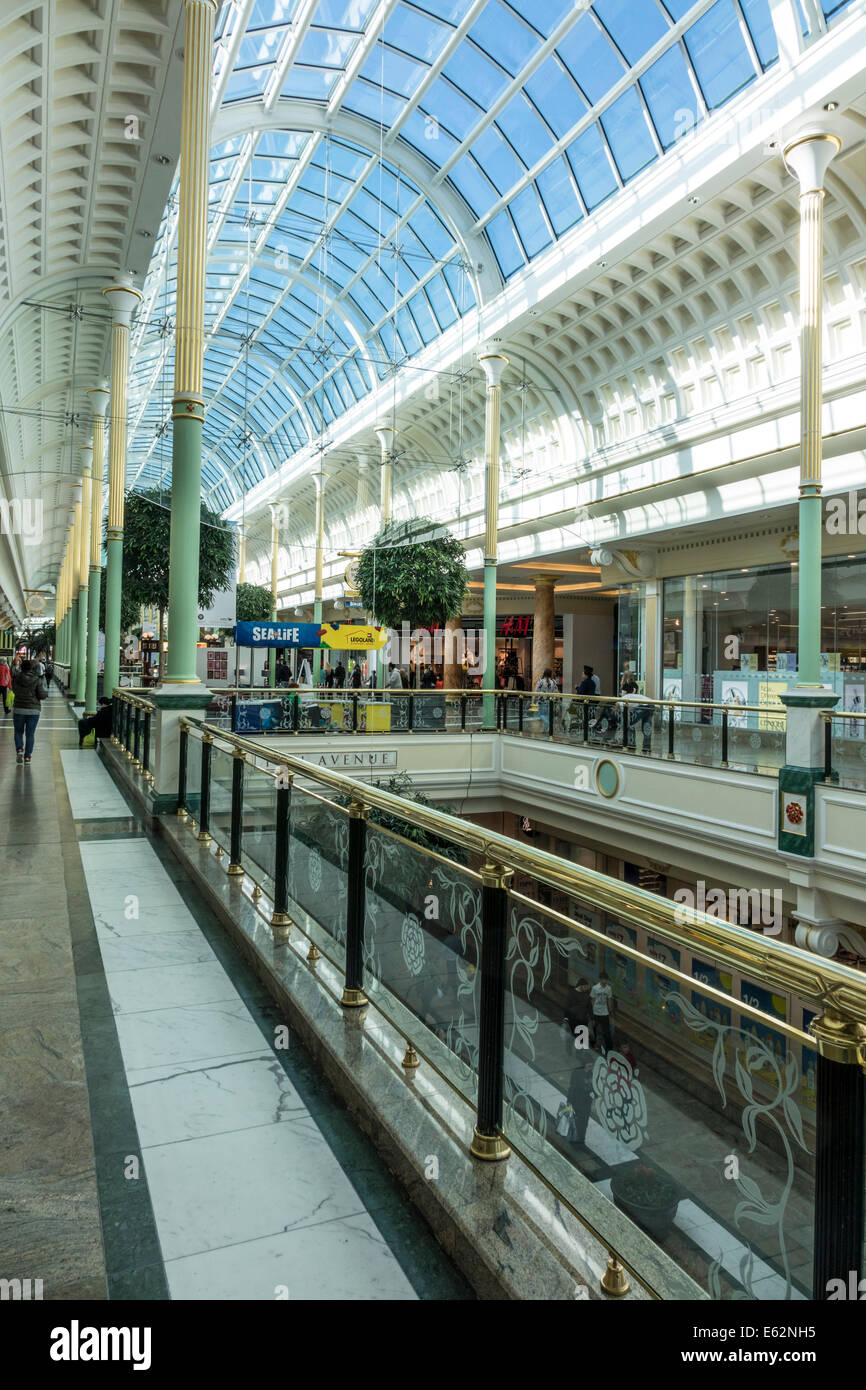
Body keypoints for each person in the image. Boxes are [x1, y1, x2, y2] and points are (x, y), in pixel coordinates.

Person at [11, 658, 48, 764]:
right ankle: (27, 757)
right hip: (33, 710)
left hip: (19, 709)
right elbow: (41, 694)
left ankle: (19, 750)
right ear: (31, 668)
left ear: (22, 667)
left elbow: (14, 690)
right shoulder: (36, 679)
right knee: (30, 734)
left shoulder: (17, 678)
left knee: (18, 732)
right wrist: (45, 694)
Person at [621, 673, 653, 753]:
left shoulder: (624, 689)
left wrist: (628, 721)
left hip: (642, 705)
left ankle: (631, 744)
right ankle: (646, 747)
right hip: (650, 704)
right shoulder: (635, 685)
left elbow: (624, 701)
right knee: (646, 726)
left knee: (630, 723)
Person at [590, 972, 615, 1055]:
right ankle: (595, 1045)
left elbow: (609, 1000)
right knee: (595, 1030)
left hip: (605, 1013)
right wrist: (592, 1013)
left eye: (606, 980)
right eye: (603, 980)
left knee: (606, 1032)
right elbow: (593, 1000)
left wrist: (610, 1011)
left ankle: (609, 1049)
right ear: (600, 979)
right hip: (596, 1012)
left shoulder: (608, 989)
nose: (604, 981)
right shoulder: (595, 988)